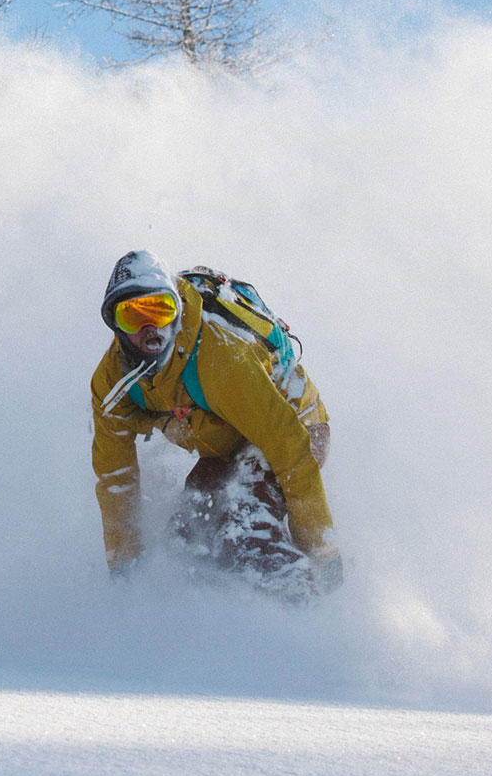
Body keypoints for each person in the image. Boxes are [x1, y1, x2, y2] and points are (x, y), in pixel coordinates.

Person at [88, 250, 341, 599]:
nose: (151, 330)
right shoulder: (112, 385)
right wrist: (125, 573)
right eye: (133, 316)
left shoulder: (220, 358)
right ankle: (201, 627)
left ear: (177, 311)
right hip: (229, 445)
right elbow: (115, 478)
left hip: (295, 427)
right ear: (115, 324)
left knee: (241, 527)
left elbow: (289, 449)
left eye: (160, 310)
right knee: (189, 534)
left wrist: (324, 556)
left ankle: (302, 617)